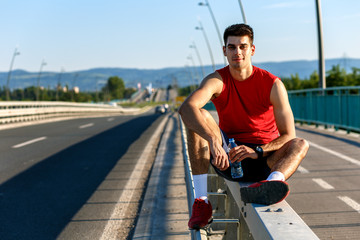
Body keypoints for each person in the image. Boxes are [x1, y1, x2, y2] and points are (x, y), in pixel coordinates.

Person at [178, 23, 309, 230]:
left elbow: (288, 135)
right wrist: (214, 141)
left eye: (243, 46)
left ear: (252, 49)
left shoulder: (272, 84)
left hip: (265, 159)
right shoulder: (217, 80)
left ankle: (271, 184)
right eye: (232, 47)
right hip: (230, 158)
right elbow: (186, 108)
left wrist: (257, 151)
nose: (237, 52)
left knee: (300, 143)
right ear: (224, 51)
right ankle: (202, 202)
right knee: (199, 115)